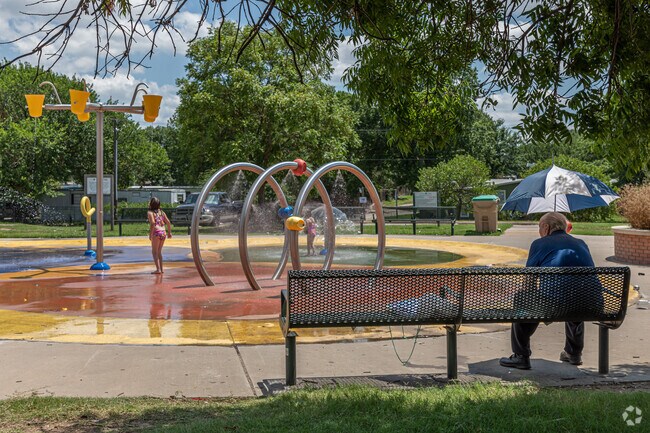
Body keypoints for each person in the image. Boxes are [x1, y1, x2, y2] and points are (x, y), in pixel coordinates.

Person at [499, 212, 598, 370]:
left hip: (555, 306)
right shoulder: (581, 243)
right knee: (577, 294)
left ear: (546, 227)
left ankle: (521, 355)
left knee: (523, 298)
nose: (539, 231)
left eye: (539, 227)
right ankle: (573, 353)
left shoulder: (539, 243)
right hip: (592, 304)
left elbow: (528, 282)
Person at [147, 197, 172, 274]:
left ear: (151, 204)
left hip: (156, 233)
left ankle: (158, 269)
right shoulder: (162, 212)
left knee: (154, 252)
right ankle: (161, 269)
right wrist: (169, 232)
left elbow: (152, 223)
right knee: (159, 252)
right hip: (163, 232)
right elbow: (168, 222)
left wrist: (150, 234)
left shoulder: (150, 213)